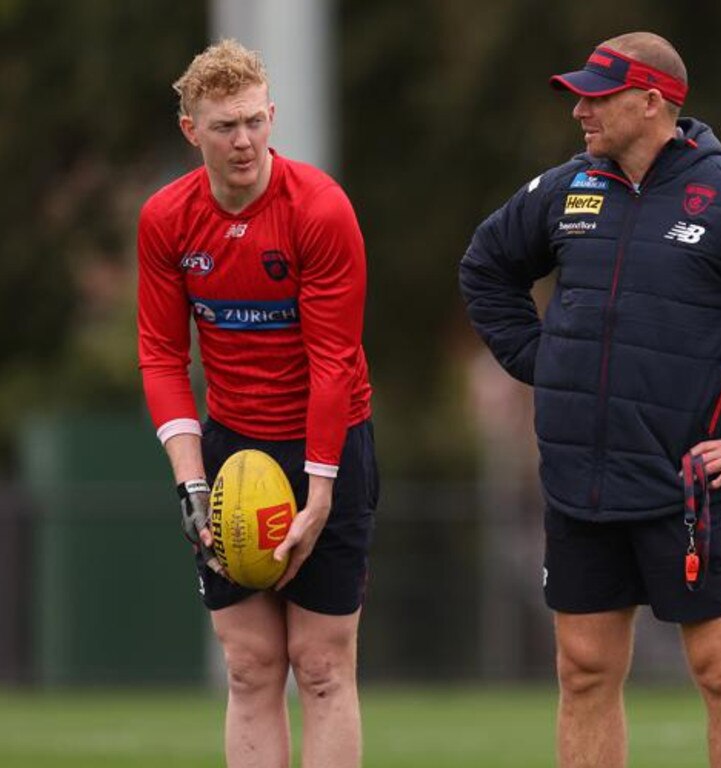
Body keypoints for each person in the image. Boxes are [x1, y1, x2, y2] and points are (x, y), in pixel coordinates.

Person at [460, 31, 721, 768]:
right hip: (579, 478)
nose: (580, 109)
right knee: (582, 672)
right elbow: (486, 268)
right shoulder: (566, 189)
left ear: (652, 100)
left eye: (597, 95)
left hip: (689, 485)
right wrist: (544, 362)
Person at [137, 39, 377, 768]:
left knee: (323, 666)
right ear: (191, 131)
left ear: (271, 115)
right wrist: (191, 480)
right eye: (222, 126)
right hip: (229, 449)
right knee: (249, 666)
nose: (242, 141)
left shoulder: (320, 210)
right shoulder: (166, 219)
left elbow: (332, 360)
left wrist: (320, 491)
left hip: (327, 445)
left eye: (252, 121)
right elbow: (161, 354)